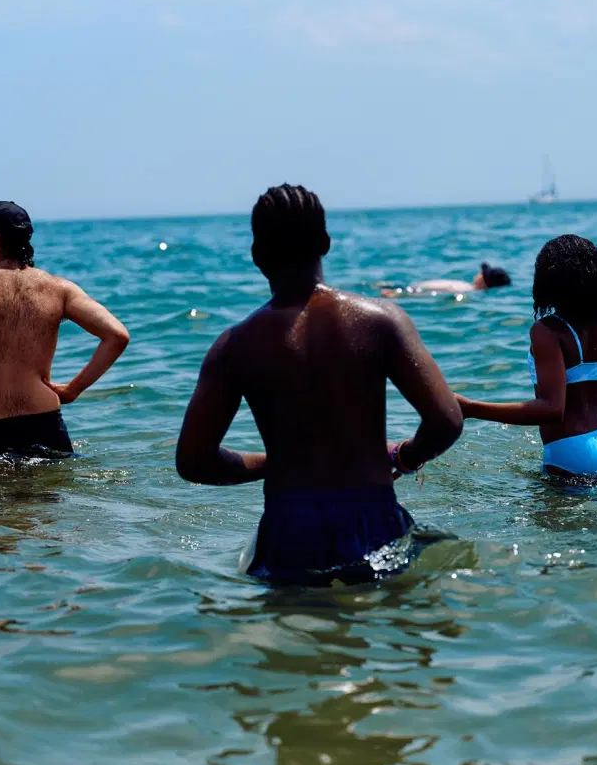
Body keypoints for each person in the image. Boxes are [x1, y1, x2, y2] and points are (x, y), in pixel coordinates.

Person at [176, 184, 463, 586]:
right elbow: (446, 421)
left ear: (257, 255)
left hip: (288, 530)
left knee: (295, 641)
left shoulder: (234, 345)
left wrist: (279, 462)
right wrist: (403, 457)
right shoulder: (382, 320)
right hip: (373, 517)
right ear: (325, 243)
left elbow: (193, 461)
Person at [0, 201, 129, 459]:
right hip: (45, 421)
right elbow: (117, 335)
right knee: (48, 496)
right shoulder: (60, 288)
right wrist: (72, 390)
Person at [455, 235, 597, 479]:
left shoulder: (547, 331)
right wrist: (586, 403)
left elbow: (552, 410)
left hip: (574, 453)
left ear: (549, 283)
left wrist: (470, 408)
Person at [381, 262, 511, 297]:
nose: (478, 274)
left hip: (407, 290)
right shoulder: (466, 287)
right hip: (408, 288)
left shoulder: (463, 290)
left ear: (484, 282)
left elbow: (431, 292)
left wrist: (400, 294)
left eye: (481, 274)